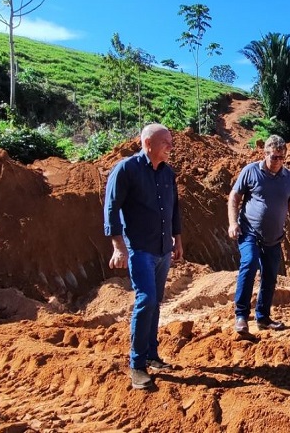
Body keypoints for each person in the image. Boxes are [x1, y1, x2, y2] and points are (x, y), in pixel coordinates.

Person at [104, 123, 184, 390]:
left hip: (163, 248)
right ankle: (137, 365)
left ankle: (151, 354)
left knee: (156, 302)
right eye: (166, 142)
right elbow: (112, 207)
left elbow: (174, 209)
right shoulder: (127, 169)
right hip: (139, 249)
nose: (171, 147)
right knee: (146, 300)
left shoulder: (167, 173)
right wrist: (118, 246)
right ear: (148, 143)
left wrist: (177, 239)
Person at [228, 135, 290, 333]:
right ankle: (241, 316)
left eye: (281, 157)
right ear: (265, 153)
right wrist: (233, 223)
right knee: (249, 264)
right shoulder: (251, 171)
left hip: (274, 237)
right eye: (274, 157)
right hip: (249, 232)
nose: (277, 162)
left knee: (270, 277)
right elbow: (234, 196)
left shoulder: (289, 178)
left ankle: (263, 317)